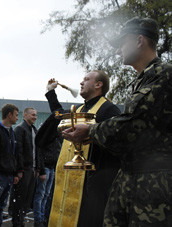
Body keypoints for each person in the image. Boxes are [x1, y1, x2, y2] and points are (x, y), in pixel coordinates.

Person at [62, 17, 172, 226]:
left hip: (154, 184)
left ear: (139, 41)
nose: (118, 50)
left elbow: (134, 124)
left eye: (122, 42)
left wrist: (90, 131)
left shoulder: (163, 74)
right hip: (134, 178)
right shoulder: (143, 79)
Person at [46, 71, 121, 227]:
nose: (81, 82)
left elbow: (115, 146)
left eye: (86, 79)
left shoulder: (109, 110)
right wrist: (50, 92)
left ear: (98, 84)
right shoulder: (79, 110)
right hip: (67, 183)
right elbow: (57, 114)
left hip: (91, 188)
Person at [10, 107, 44, 227]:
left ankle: (21, 220)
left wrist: (39, 168)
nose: (35, 117)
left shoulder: (34, 130)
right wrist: (19, 170)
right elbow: (18, 152)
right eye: (32, 115)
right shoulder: (20, 129)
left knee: (27, 199)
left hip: (33, 170)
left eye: (36, 115)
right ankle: (17, 222)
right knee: (20, 198)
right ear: (25, 115)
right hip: (24, 170)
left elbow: (38, 151)